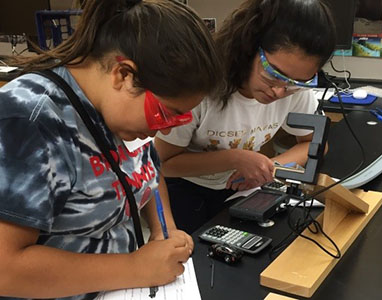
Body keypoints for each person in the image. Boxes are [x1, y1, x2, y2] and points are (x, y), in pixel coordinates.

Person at [0, 0, 223, 299]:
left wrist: (163, 231)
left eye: (180, 118)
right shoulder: (29, 120)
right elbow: (6, 269)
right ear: (123, 75)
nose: (167, 129)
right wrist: (135, 267)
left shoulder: (123, 115)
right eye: (166, 113)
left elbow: (148, 174)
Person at [154, 0, 336, 234]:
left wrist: (267, 167)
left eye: (297, 83)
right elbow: (162, 164)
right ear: (249, 47)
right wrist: (235, 159)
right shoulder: (202, 86)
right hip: (186, 189)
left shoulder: (293, 89)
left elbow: (316, 144)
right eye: (273, 74)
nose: (280, 92)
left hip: (242, 190)